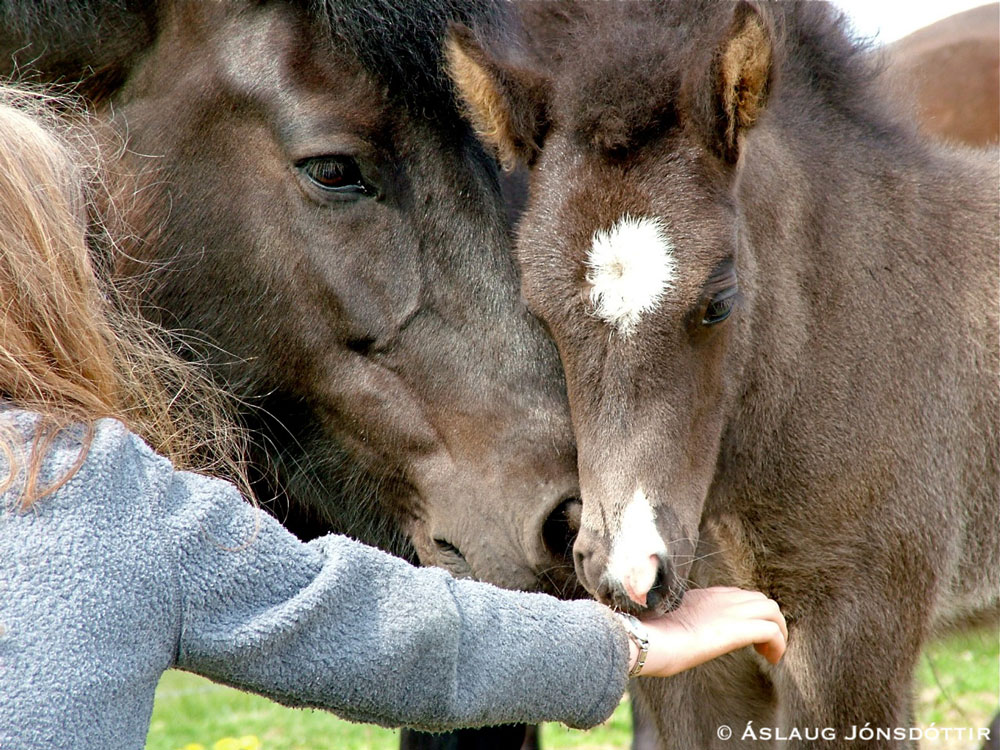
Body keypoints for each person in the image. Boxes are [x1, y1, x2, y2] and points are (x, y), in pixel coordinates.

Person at [0, 85, 787, 750]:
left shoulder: (102, 494)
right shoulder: (100, 494)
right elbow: (379, 633)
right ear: (59, 283)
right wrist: (629, 647)